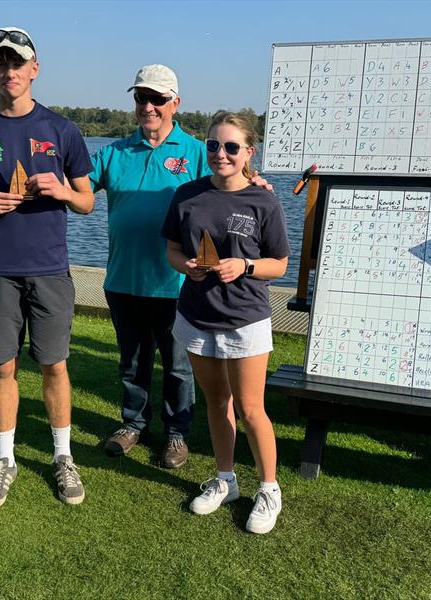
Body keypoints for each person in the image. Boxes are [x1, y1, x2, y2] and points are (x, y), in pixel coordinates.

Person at [89, 65, 272, 469]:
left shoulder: (198, 151)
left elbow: (233, 175)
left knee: (178, 366)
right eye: (141, 98)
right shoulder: (114, 152)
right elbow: (78, 188)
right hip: (123, 278)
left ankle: (176, 434)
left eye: (157, 99)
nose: (148, 107)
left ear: (175, 103)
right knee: (131, 362)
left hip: (178, 282)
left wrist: (256, 180)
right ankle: (133, 424)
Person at [0, 27, 94, 509]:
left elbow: (88, 202)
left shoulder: (62, 130)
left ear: (35, 68)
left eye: (18, 62)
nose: (9, 71)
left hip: (49, 268)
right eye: (0, 63)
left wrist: (63, 192)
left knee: (54, 363)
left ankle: (62, 456)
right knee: (3, 366)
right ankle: (4, 461)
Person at [161, 111, 290, 534]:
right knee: (217, 404)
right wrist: (189, 268)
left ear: (249, 152)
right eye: (213, 145)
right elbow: (173, 251)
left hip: (245, 319)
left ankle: (269, 488)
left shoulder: (263, 200)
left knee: (252, 409)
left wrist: (246, 266)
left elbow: (280, 264)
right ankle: (226, 479)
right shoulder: (187, 194)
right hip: (197, 316)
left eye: (232, 147)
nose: (221, 154)